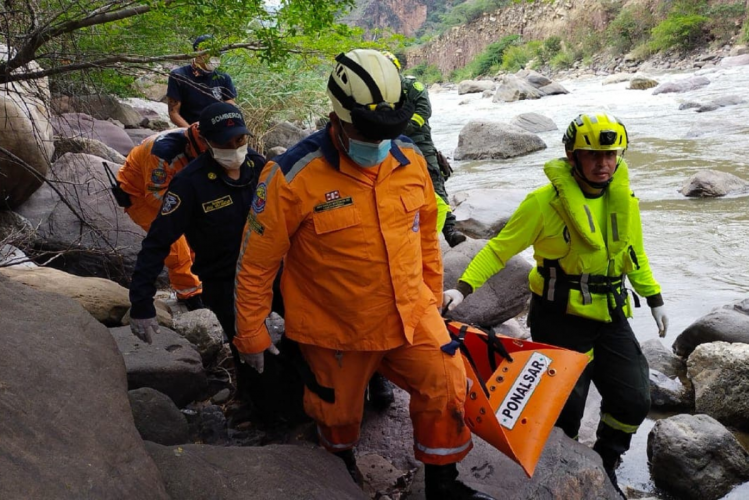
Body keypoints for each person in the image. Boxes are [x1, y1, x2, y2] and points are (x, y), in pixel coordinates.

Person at [233, 49, 493, 500]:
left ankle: (443, 485)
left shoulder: (410, 160)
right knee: (336, 416)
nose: (380, 142)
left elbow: (426, 240)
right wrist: (251, 332)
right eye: (370, 131)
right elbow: (257, 260)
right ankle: (339, 470)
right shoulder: (292, 175)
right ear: (338, 113)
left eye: (390, 131)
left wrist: (431, 301)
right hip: (337, 329)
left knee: (448, 383)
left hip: (411, 315)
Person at [443, 113, 668, 497]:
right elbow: (499, 250)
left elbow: (633, 254)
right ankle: (562, 472)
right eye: (592, 155)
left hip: (610, 314)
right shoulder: (542, 203)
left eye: (611, 155)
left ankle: (605, 461)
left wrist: (654, 297)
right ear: (571, 155)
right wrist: (462, 289)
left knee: (634, 399)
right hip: (559, 319)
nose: (603, 164)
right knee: (566, 411)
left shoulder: (622, 199)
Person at [128, 102, 284, 419]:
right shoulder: (189, 184)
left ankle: (295, 395)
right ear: (208, 143)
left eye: (240, 141)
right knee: (248, 350)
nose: (236, 149)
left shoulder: (259, 166)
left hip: (272, 270)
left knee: (294, 335)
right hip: (225, 279)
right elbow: (157, 242)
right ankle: (259, 411)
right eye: (226, 144)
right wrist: (141, 302)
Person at [117, 124, 206, 309]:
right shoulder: (162, 153)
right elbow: (155, 196)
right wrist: (190, 209)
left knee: (197, 242)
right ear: (190, 147)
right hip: (139, 193)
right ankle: (190, 295)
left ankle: (203, 285)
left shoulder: (212, 145)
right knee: (176, 248)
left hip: (175, 188)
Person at [383, 51, 466, 248]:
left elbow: (424, 111)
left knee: (434, 180)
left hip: (419, 141)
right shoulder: (377, 93)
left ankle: (449, 229)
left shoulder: (412, 87)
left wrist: (400, 128)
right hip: (388, 143)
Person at [167, 35, 237, 128]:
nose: (216, 57)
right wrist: (192, 133)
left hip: (218, 130)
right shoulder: (179, 76)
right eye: (212, 53)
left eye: (218, 54)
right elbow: (174, 113)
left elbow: (230, 107)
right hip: (188, 129)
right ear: (199, 54)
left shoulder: (223, 77)